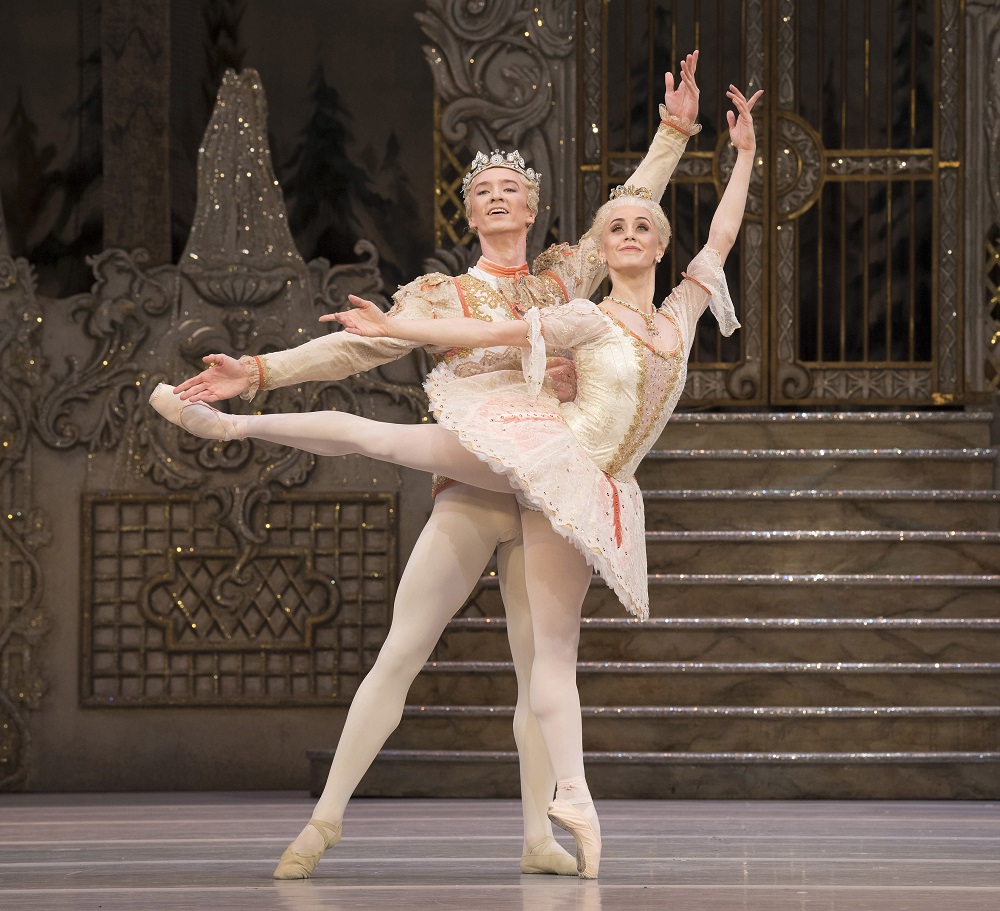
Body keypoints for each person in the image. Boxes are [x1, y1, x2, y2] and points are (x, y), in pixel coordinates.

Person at [151, 84, 761, 878]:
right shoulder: (440, 294)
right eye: (483, 191)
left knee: (538, 667)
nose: (499, 196)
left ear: (535, 208)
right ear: (469, 215)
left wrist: (677, 132)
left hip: (553, 486)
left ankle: (540, 833)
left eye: (512, 187)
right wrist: (262, 370)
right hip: (477, 479)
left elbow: (635, 212)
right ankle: (323, 821)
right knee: (403, 650)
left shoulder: (564, 277)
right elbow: (351, 352)